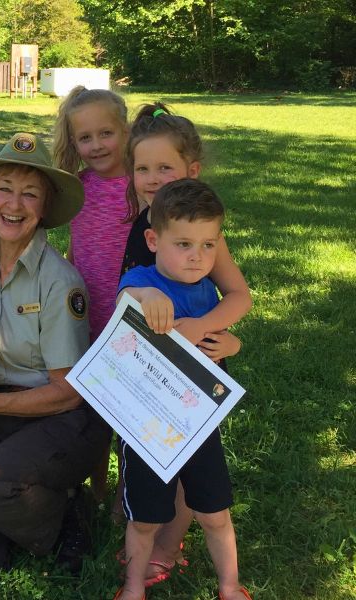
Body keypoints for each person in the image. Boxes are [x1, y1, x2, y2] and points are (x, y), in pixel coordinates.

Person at [0, 132, 112, 579]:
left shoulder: (59, 282)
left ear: (44, 208)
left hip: (66, 418)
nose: (15, 203)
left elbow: (67, 393)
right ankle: (33, 500)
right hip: (4, 414)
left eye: (30, 194)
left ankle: (70, 510)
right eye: (5, 189)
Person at [114, 103, 252, 588]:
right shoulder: (142, 234)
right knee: (151, 474)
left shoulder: (199, 235)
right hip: (142, 384)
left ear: (190, 170)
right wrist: (144, 293)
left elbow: (239, 295)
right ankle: (146, 543)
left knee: (195, 472)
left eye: (164, 167)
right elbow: (126, 294)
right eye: (142, 168)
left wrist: (212, 333)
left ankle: (171, 547)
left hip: (195, 389)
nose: (152, 178)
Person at [52, 86, 130, 504]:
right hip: (86, 316)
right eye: (85, 138)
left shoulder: (144, 182)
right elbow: (73, 246)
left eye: (106, 134)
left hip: (132, 318)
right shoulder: (76, 187)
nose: (96, 145)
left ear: (125, 130)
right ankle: (96, 491)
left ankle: (126, 494)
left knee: (131, 414)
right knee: (94, 412)